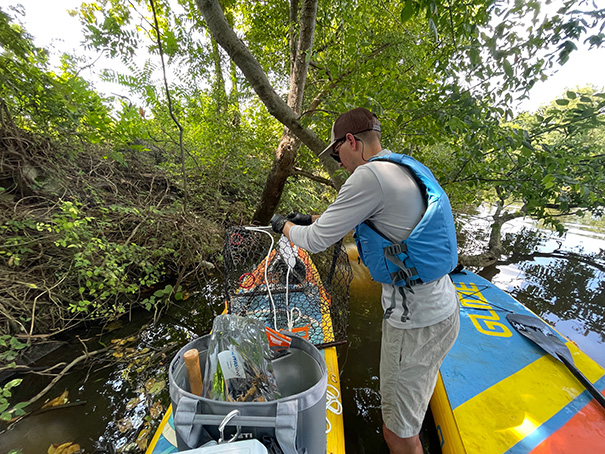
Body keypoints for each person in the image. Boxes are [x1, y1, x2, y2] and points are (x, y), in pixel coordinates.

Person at [270, 107, 460, 454]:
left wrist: (283, 224)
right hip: (443, 308)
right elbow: (370, 216)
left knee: (399, 436)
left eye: (337, 152)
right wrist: (310, 217)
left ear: (352, 142)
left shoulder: (368, 177)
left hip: (413, 321)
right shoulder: (401, 169)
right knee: (407, 417)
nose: (339, 162)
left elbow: (314, 241)